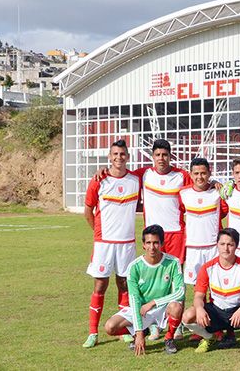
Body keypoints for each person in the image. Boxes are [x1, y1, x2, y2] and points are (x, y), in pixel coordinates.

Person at [82, 139, 140, 348]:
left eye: (122, 154)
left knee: (124, 284)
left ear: (128, 156)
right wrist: (98, 234)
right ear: (109, 156)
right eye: (115, 154)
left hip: (126, 243)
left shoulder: (136, 179)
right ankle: (92, 333)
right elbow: (88, 210)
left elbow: (158, 172)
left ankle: (123, 329)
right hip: (104, 244)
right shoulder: (99, 180)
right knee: (100, 285)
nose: (119, 158)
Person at [182, 228, 240, 355]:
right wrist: (199, 309)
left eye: (230, 244)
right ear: (217, 245)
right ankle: (209, 338)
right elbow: (199, 296)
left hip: (237, 313)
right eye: (222, 244)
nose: (225, 248)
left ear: (236, 246)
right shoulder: (207, 267)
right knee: (188, 316)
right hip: (216, 312)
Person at [103, 225, 185, 355]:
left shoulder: (173, 262)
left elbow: (180, 292)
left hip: (163, 307)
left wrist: (153, 303)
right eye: (148, 243)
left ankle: (169, 339)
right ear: (143, 245)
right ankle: (143, 331)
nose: (152, 247)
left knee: (176, 306)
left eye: (156, 243)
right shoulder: (134, 267)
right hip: (142, 310)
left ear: (162, 243)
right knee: (110, 327)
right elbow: (134, 301)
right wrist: (139, 332)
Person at [178, 157, 227, 285]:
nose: (200, 177)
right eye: (196, 173)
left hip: (214, 247)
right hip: (193, 247)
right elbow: (179, 212)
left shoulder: (218, 193)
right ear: (190, 174)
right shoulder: (183, 193)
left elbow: (224, 211)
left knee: (215, 285)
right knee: (197, 286)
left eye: (203, 173)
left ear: (209, 174)